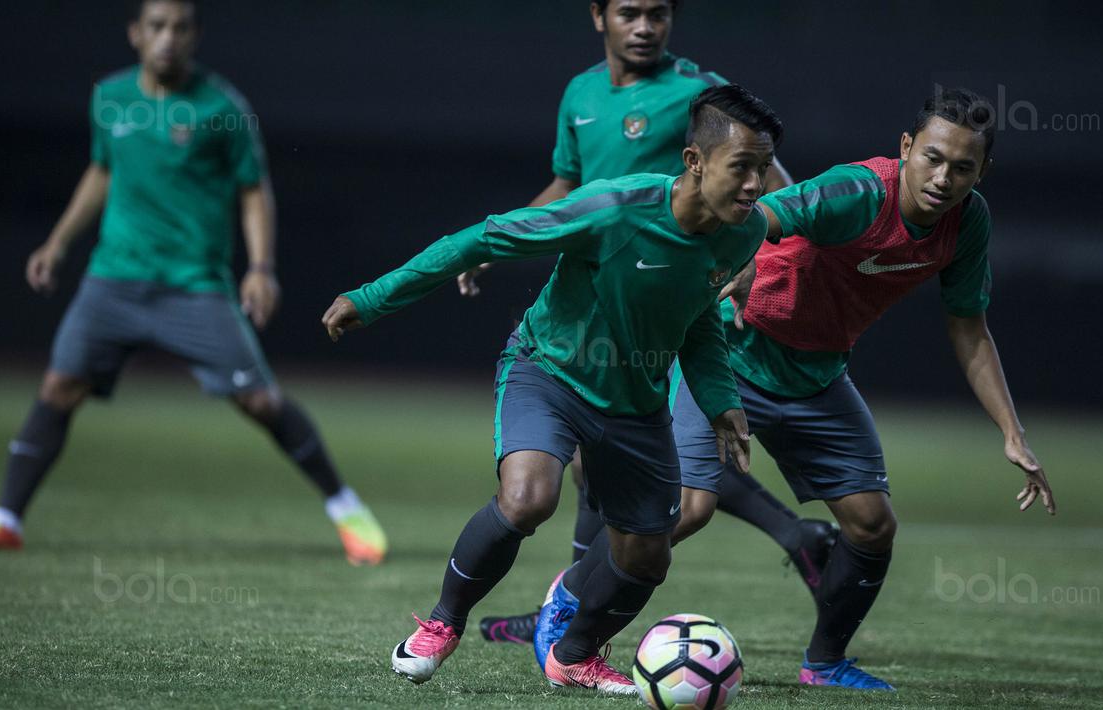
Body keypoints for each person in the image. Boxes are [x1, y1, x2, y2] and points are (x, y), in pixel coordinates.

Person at [538, 86, 1058, 691]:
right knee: (685, 510)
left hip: (817, 375)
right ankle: (571, 604)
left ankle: (826, 663)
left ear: (982, 172)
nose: (943, 177)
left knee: (871, 524)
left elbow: (970, 327)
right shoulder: (857, 191)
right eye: (933, 158)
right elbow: (763, 213)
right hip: (736, 352)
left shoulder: (968, 224)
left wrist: (1012, 433)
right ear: (907, 147)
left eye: (963, 167)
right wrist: (748, 263)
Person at [322, 85, 782, 694]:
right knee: (527, 497)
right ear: (694, 162)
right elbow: (483, 238)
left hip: (636, 407)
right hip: (550, 373)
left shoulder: (742, 235)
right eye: (742, 167)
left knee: (648, 557)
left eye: (763, 168)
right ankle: (442, 624)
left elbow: (697, 318)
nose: (756, 184)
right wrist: (374, 298)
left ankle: (574, 654)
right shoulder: (613, 208)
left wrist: (720, 399)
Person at [461, 0, 837, 648]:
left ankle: (567, 613)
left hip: (677, 304)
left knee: (657, 475)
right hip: (602, 302)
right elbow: (567, 182)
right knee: (604, 465)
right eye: (629, 13)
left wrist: (751, 261)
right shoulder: (580, 92)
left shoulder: (699, 91)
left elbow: (773, 183)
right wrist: (496, 242)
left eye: (657, 14)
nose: (644, 27)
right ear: (597, 16)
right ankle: (574, 606)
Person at [0, 0, 388, 566]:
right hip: (114, 280)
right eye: (157, 26)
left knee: (260, 400)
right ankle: (7, 520)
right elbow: (102, 170)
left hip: (194, 286)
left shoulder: (222, 107)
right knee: (58, 388)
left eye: (180, 27)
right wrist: (59, 242)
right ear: (136, 34)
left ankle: (346, 507)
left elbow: (253, 189)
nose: (168, 37)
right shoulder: (110, 97)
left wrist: (261, 269)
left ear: (195, 36)